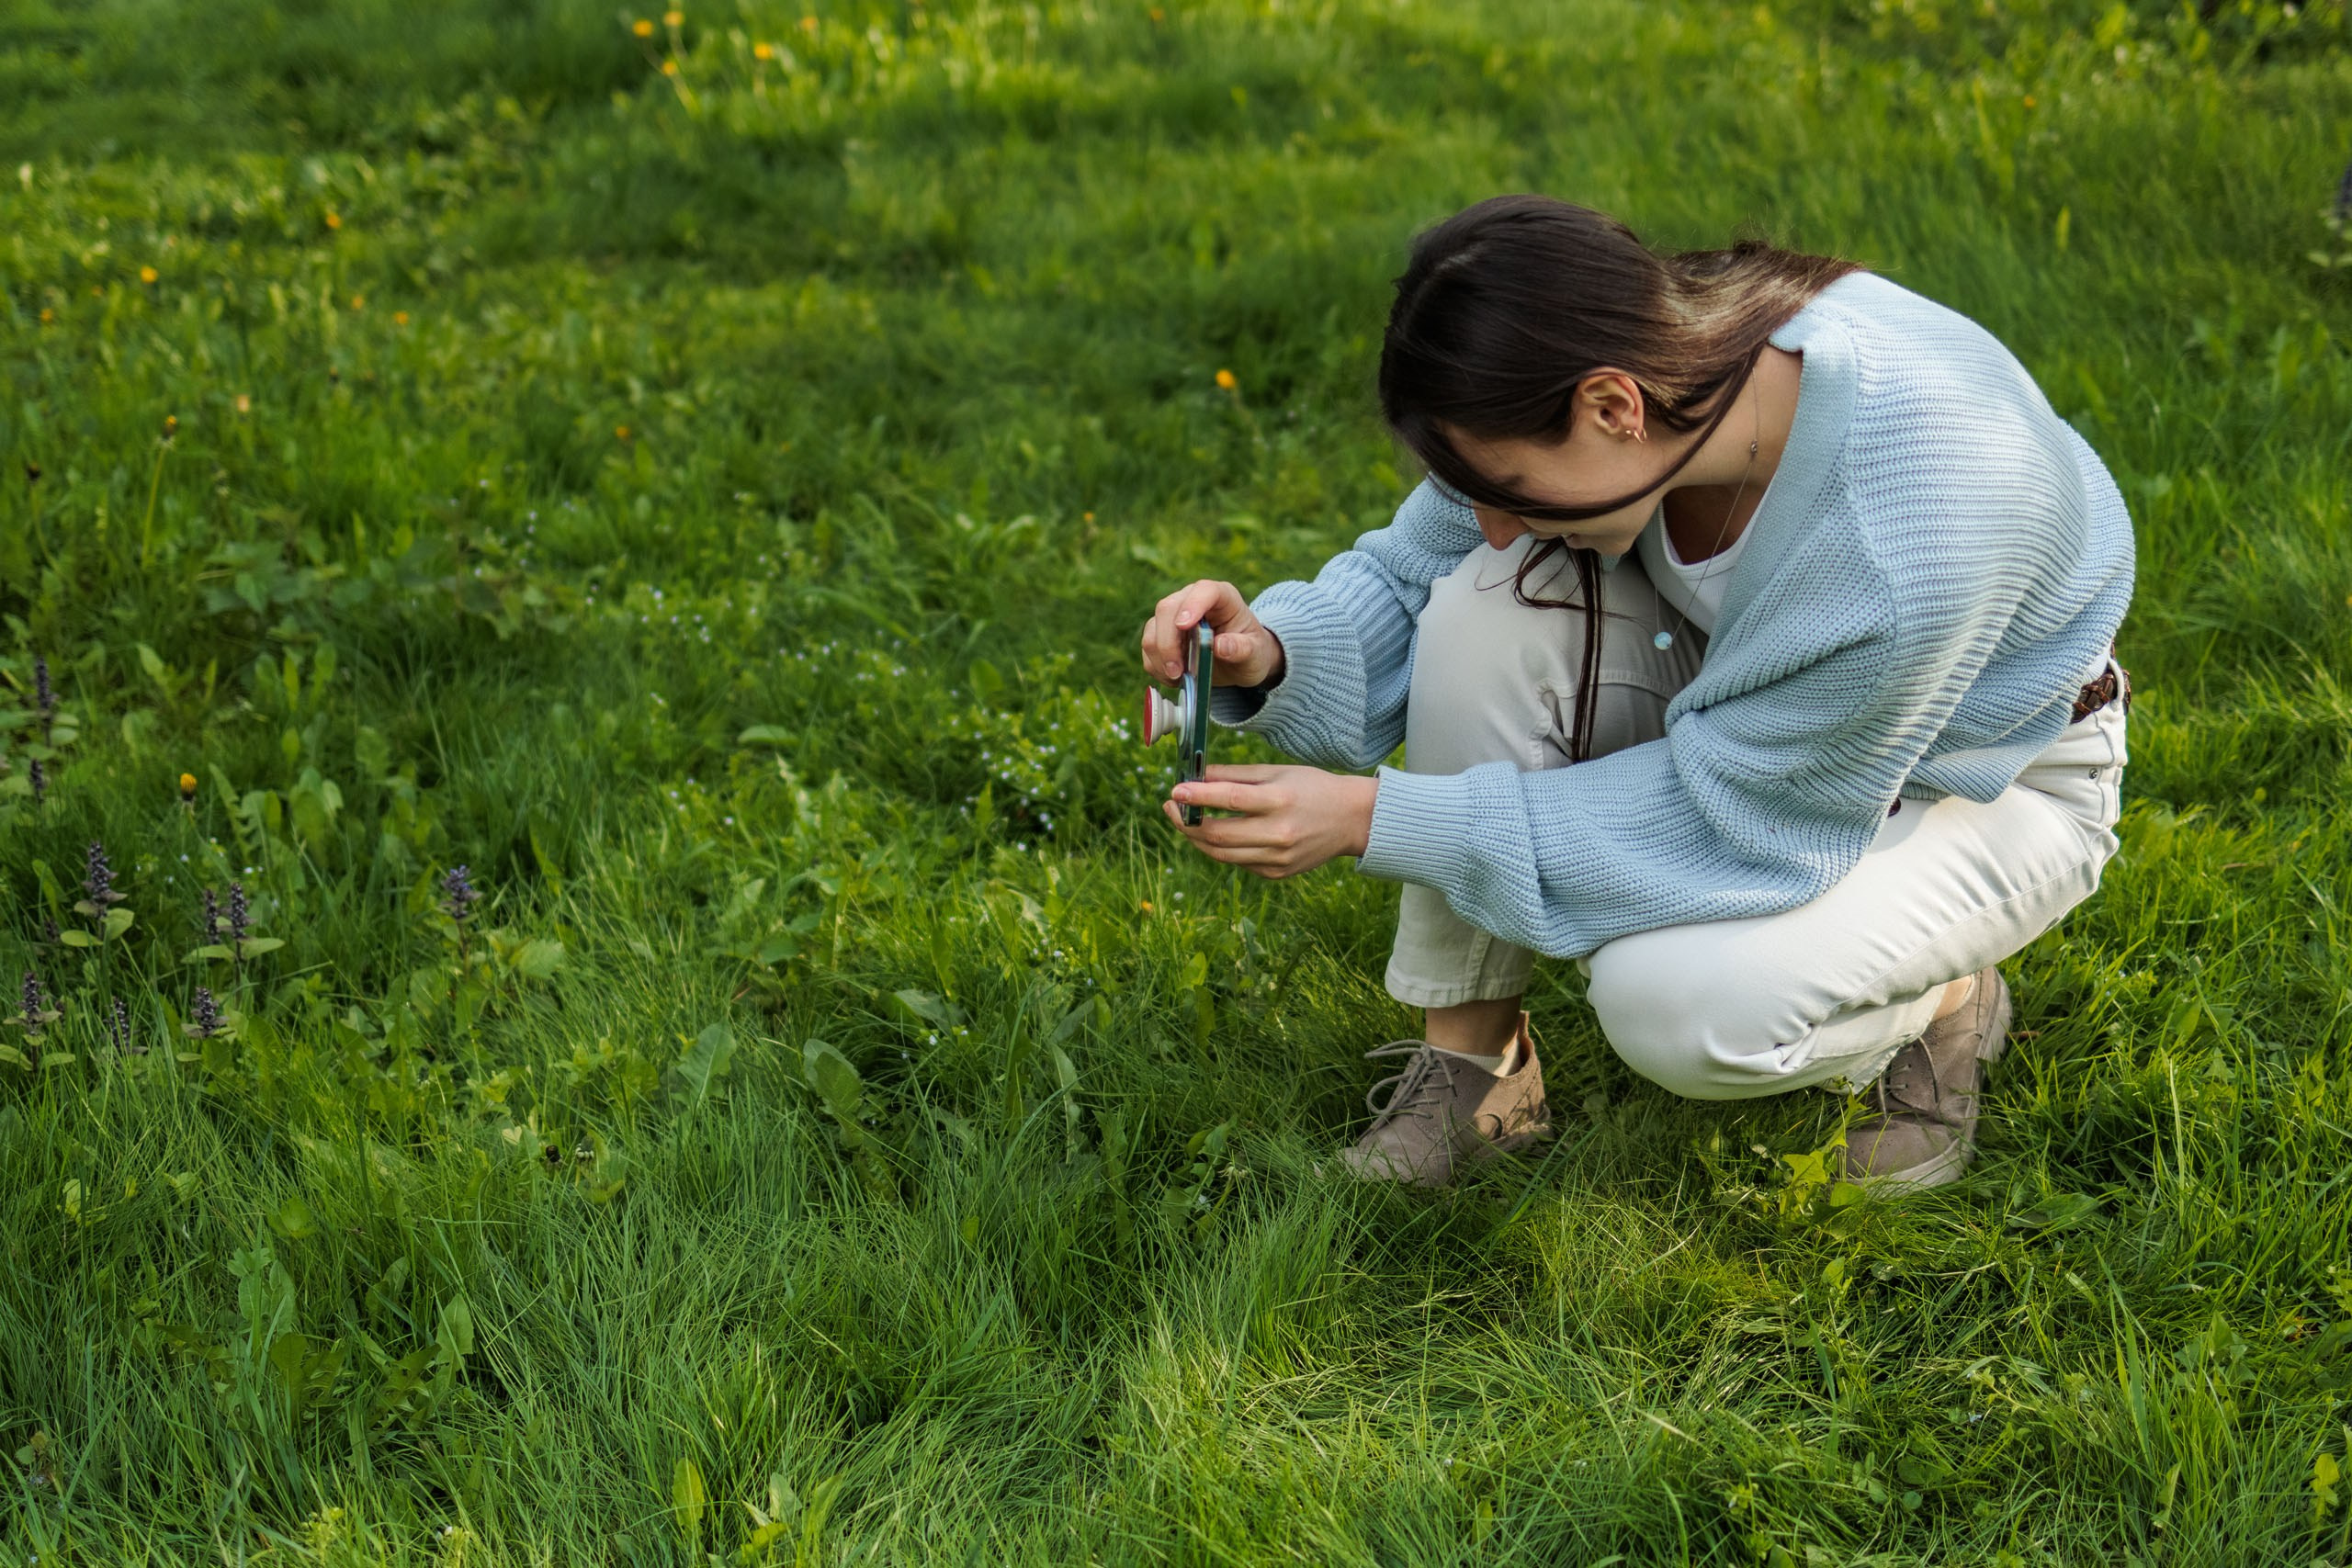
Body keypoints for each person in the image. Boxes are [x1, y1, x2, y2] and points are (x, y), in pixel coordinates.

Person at [1136, 194, 2133, 1194]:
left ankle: (1938, 998)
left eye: (1507, 487)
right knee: (1477, 604)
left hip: (1981, 779)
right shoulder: (1640, 344)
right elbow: (1413, 574)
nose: (1493, 524)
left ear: (1612, 408)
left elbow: (1733, 822)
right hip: (1750, 719)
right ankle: (1476, 1073)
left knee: (1679, 1007)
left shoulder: (1904, 539)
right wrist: (1267, 653)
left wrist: (1375, 818)